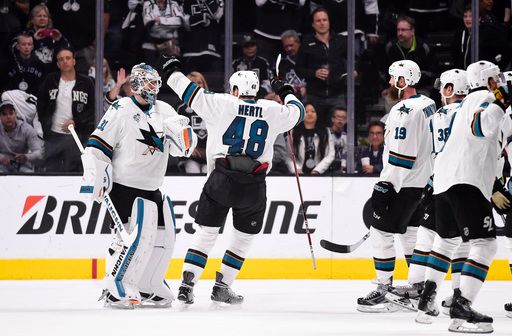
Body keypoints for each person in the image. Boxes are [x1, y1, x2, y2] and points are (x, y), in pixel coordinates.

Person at [159, 54, 305, 305]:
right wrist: (286, 90)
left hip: (221, 179)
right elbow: (298, 112)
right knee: (243, 238)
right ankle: (223, 286)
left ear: (236, 89)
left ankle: (186, 285)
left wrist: (172, 69)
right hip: (254, 184)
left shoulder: (222, 102)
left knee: (206, 234)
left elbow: (187, 91)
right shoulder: (273, 110)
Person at [81, 63, 198, 308]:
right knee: (128, 239)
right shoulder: (121, 108)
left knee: (163, 237)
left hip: (152, 186)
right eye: (150, 82)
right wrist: (96, 174)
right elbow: (97, 144)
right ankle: (115, 286)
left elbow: (183, 149)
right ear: (136, 85)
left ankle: (149, 285)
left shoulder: (165, 110)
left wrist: (186, 136)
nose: (154, 87)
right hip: (124, 187)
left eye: (156, 82)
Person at [416, 61, 507, 333]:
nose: (500, 82)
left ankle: (427, 297)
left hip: (445, 181)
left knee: (446, 241)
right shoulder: (485, 98)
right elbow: (482, 127)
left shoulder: (466, 102)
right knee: (486, 244)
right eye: (497, 78)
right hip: (468, 182)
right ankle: (462, 306)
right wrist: (502, 102)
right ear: (489, 79)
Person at [384, 69, 470, 311]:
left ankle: (423, 290)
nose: (440, 91)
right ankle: (455, 293)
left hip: (446, 186)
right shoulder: (472, 113)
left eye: (443, 86)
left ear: (451, 89)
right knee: (457, 241)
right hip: (467, 185)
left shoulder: (442, 114)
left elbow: (438, 153)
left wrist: (431, 181)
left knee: (431, 236)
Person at [357, 60, 436, 313]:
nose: (390, 83)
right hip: (422, 183)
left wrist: (385, 186)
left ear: (403, 82)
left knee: (381, 232)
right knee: (410, 233)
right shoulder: (428, 104)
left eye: (393, 79)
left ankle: (382, 289)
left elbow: (400, 157)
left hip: (403, 184)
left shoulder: (403, 110)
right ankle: (418, 290)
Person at [37, 46, 95, 172]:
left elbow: (92, 109)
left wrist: (76, 122)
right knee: (51, 172)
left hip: (76, 136)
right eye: (61, 59)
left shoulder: (86, 82)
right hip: (54, 136)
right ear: (58, 64)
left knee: (75, 172)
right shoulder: (50, 80)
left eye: (68, 58)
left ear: (74, 61)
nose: (65, 61)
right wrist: (46, 128)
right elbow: (41, 105)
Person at [296, 7, 347, 127]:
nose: (322, 23)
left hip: (337, 94)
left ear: (329, 22)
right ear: (313, 24)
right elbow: (299, 69)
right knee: (313, 132)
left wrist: (351, 73)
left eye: (324, 19)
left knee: (338, 131)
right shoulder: (306, 43)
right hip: (314, 96)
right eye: (318, 21)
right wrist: (314, 73)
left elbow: (352, 63)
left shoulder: (341, 41)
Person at [288, 103, 334, 175]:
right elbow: (287, 156)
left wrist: (317, 170)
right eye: (306, 112)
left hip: (319, 174)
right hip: (298, 173)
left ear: (317, 114)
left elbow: (330, 154)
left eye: (313, 111)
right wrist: (296, 169)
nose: (310, 114)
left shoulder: (326, 132)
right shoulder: (293, 132)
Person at [177, 71, 209, 174]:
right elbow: (177, 132)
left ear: (204, 84)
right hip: (190, 155)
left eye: (199, 83)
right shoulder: (181, 108)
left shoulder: (213, 105)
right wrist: (189, 148)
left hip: (209, 154)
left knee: (207, 173)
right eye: (192, 83)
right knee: (192, 170)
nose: (197, 86)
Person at [0, 101, 43, 173]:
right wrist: (1, 158)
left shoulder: (27, 129)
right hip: (2, 165)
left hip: (23, 165)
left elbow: (39, 152)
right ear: (0, 117)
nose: (8, 117)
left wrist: (26, 157)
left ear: (15, 115)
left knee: (30, 175)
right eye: (4, 114)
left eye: (11, 113)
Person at [232, 33, 273, 99]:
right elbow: (230, 83)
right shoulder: (235, 64)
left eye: (252, 45)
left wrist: (258, 91)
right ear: (242, 48)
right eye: (247, 46)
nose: (250, 48)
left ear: (256, 47)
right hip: (240, 97)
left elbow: (268, 82)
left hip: (260, 96)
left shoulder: (263, 62)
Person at [279, 30, 306, 99]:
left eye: (291, 45)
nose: (289, 49)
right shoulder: (281, 64)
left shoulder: (309, 59)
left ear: (298, 44)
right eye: (286, 46)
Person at [327, 106, 347, 174]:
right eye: (338, 117)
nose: (340, 120)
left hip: (342, 169)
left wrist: (343, 166)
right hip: (326, 168)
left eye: (343, 117)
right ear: (333, 119)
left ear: (346, 120)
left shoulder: (347, 137)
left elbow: (345, 154)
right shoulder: (326, 134)